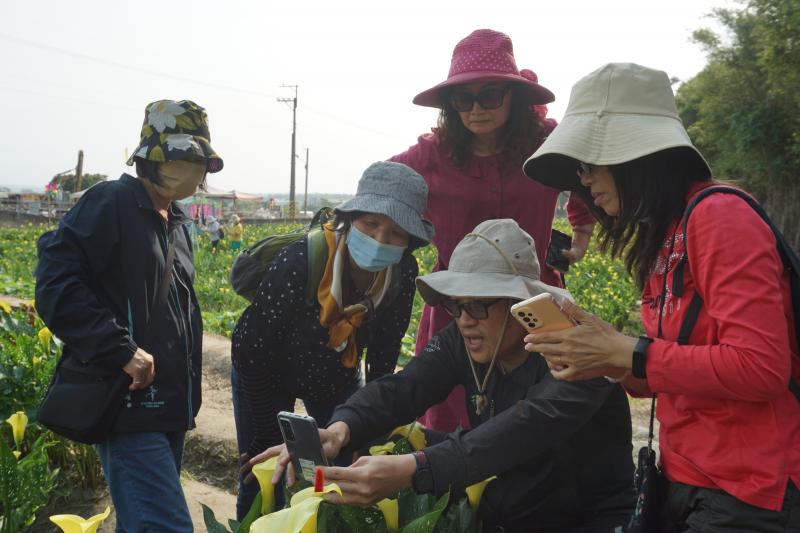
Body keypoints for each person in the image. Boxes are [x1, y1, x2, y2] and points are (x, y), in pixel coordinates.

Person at [522, 63, 800, 530]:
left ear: (633, 155)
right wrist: (608, 358)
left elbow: (761, 368)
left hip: (749, 490)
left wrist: (629, 351)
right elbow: (674, 367)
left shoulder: (718, 218)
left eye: (590, 165)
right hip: (687, 476)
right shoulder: (665, 236)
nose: (584, 181)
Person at [246, 219, 635, 531]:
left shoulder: (579, 355)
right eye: (456, 305)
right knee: (375, 436)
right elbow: (405, 388)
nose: (465, 320)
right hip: (515, 507)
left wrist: (416, 469)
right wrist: (340, 429)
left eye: (480, 305)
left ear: (524, 303)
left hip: (587, 518)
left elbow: (519, 431)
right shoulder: (467, 336)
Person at [390, 28, 596, 433]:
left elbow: (588, 171)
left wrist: (581, 230)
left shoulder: (545, 141)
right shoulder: (432, 154)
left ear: (513, 96)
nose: (475, 108)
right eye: (463, 98)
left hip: (530, 298)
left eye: (489, 95)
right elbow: (382, 187)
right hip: (458, 306)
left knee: (543, 410)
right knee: (451, 417)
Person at [35, 99, 223, 532]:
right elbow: (55, 284)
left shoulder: (175, 221)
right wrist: (119, 348)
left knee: (140, 522)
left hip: (169, 409)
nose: (194, 169)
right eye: (183, 157)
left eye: (200, 159)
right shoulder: (111, 201)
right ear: (152, 158)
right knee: (165, 526)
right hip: (128, 405)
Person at [230, 161, 434, 520]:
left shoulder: (401, 272)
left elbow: (383, 359)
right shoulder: (300, 261)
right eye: (370, 224)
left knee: (342, 464)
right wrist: (266, 432)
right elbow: (252, 352)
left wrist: (368, 428)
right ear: (351, 218)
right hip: (266, 372)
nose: (380, 240)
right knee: (263, 469)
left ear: (410, 240)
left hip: (334, 371)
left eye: (396, 232)